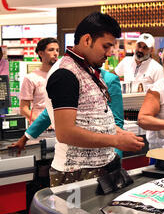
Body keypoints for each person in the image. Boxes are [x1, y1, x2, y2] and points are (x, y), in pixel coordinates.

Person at [45, 12, 144, 187]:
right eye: (106, 46)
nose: (110, 53)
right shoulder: (65, 74)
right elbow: (66, 132)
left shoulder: (86, 69)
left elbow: (91, 119)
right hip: (76, 173)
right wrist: (116, 140)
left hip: (100, 169)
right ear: (87, 40)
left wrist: (117, 132)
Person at [9, 68, 125, 157]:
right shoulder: (69, 78)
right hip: (74, 153)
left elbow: (117, 121)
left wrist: (115, 154)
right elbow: (50, 112)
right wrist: (25, 138)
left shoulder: (109, 80)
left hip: (105, 152)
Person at [19, 38, 59, 125]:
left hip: (60, 127)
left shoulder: (61, 76)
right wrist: (41, 123)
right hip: (40, 129)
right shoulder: (31, 78)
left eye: (57, 50)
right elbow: (23, 109)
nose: (55, 53)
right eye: (51, 50)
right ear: (41, 53)